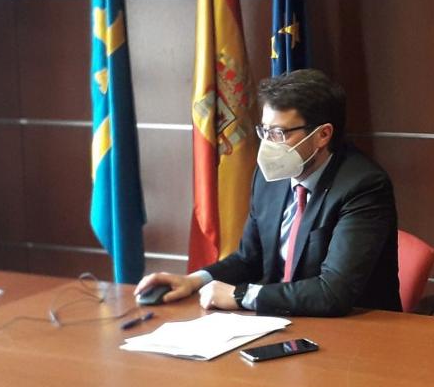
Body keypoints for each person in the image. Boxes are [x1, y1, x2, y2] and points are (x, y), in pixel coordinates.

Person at [137, 69, 400, 317]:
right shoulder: (269, 178)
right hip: (283, 321)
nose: (267, 145)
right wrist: (194, 281)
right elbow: (249, 259)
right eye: (264, 131)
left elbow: (333, 292)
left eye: (278, 133)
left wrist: (241, 296)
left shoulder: (363, 186)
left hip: (357, 335)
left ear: (323, 135)